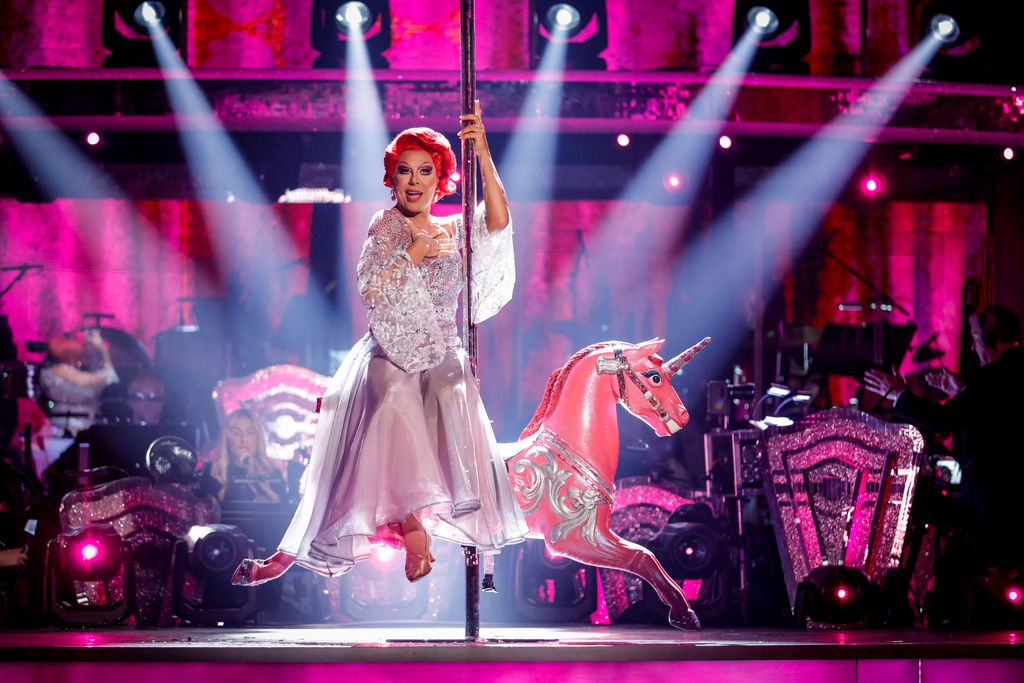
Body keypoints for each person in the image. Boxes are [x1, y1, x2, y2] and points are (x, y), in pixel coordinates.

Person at [232, 104, 527, 586]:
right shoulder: (386, 225)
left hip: (442, 354)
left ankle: (421, 524)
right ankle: (408, 525)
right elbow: (375, 285)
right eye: (404, 171)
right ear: (392, 178)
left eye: (425, 171)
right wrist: (417, 250)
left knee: (452, 389)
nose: (414, 180)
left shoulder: (454, 230)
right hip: (390, 352)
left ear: (440, 179)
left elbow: (498, 222)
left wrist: (484, 153)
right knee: (392, 396)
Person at [863, 304, 1024, 567]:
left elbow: (941, 420)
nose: (973, 348)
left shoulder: (993, 376)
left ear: (992, 339)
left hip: (992, 507)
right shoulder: (1009, 373)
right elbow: (991, 414)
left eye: (975, 339)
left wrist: (899, 395)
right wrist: (963, 390)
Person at [37, 330, 118, 437]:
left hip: (83, 425)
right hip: (67, 428)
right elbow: (109, 376)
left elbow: (110, 379)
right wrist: (103, 349)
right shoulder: (60, 371)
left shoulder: (53, 371)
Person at [210, 409, 286, 503]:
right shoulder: (214, 474)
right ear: (227, 438)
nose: (244, 439)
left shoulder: (273, 475)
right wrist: (239, 469)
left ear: (258, 438)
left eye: (250, 433)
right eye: (237, 433)